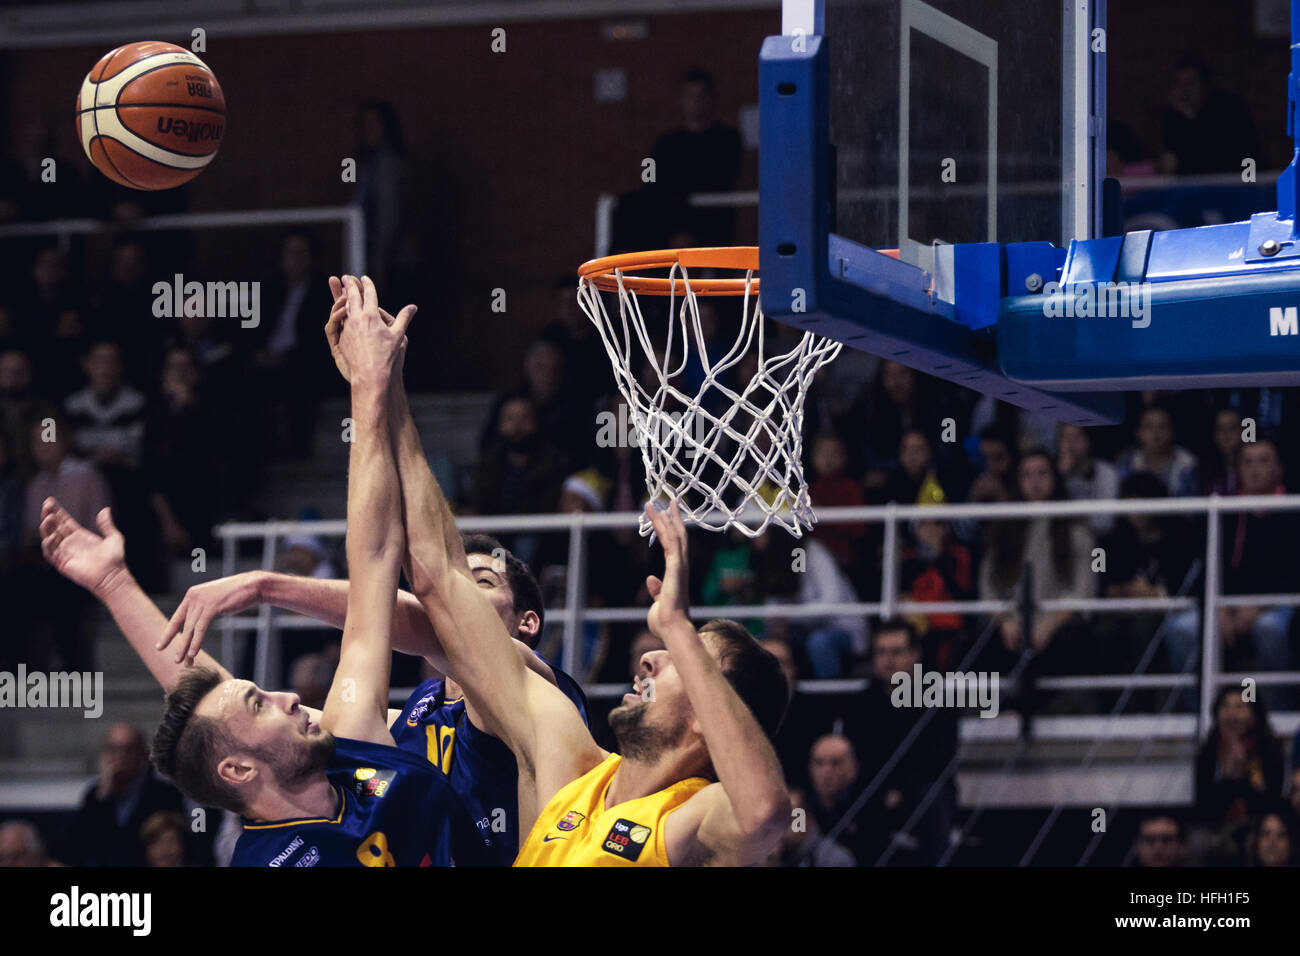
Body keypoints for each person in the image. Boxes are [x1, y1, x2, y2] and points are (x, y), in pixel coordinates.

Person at [42, 285, 488, 866]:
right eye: (259, 703)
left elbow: (376, 558)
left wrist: (369, 387)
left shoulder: (351, 738)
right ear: (238, 771)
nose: (286, 696)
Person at [368, 303, 791, 865]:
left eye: (686, 663)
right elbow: (441, 581)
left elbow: (764, 814)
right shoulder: (572, 763)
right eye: (666, 652)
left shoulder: (697, 818)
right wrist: (386, 385)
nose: (651, 659)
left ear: (713, 713)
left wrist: (679, 628)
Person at [62, 723, 196, 867]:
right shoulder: (95, 796)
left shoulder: (165, 794)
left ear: (142, 754)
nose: (120, 757)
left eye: (128, 750)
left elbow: (174, 848)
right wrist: (102, 799)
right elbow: (78, 846)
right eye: (114, 750)